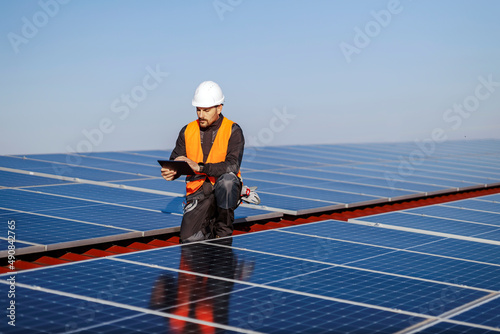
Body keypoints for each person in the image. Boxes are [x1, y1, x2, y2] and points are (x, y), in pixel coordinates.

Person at [161, 81, 245, 243]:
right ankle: (208, 227)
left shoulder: (233, 130)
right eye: (198, 110)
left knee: (227, 181)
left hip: (224, 187)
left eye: (206, 110)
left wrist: (199, 167)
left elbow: (232, 166)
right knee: (189, 240)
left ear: (219, 108)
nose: (200, 115)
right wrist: (172, 171)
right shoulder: (187, 131)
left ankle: (223, 232)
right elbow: (175, 159)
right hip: (198, 191)